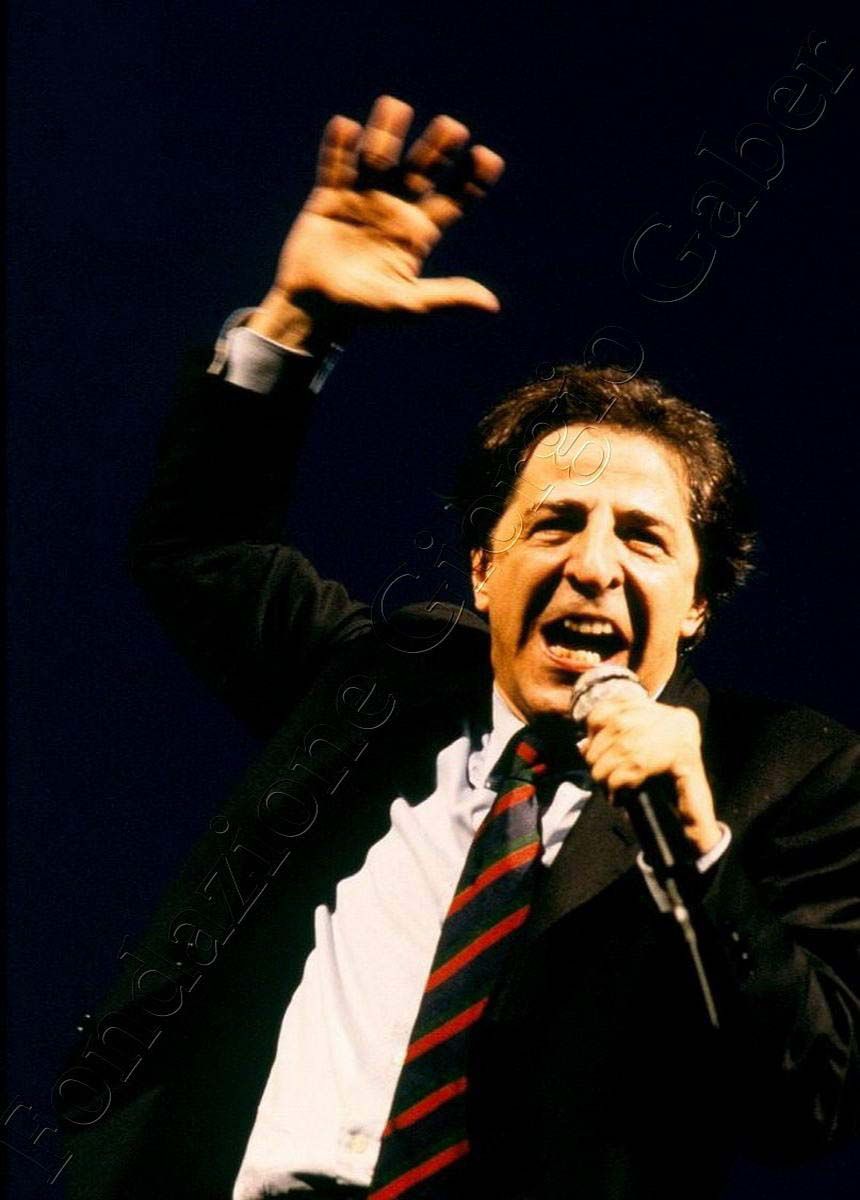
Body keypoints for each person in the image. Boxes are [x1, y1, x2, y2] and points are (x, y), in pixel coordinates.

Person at [62, 96, 858, 1200]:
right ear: (483, 572)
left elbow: (808, 1101)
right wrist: (293, 321)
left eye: (642, 536)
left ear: (697, 606)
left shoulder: (791, 773)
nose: (593, 565)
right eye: (554, 523)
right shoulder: (379, 690)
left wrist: (694, 848)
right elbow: (201, 545)